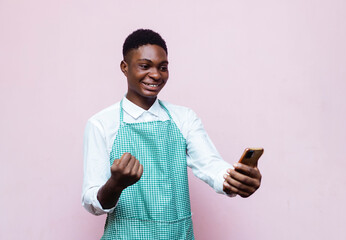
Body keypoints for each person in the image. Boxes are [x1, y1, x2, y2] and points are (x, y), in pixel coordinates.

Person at [82, 29, 262, 240]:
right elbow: (91, 201)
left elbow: (210, 165)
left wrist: (235, 181)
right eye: (145, 66)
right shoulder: (102, 124)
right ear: (125, 67)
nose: (156, 75)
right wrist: (115, 184)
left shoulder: (183, 118)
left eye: (163, 67)